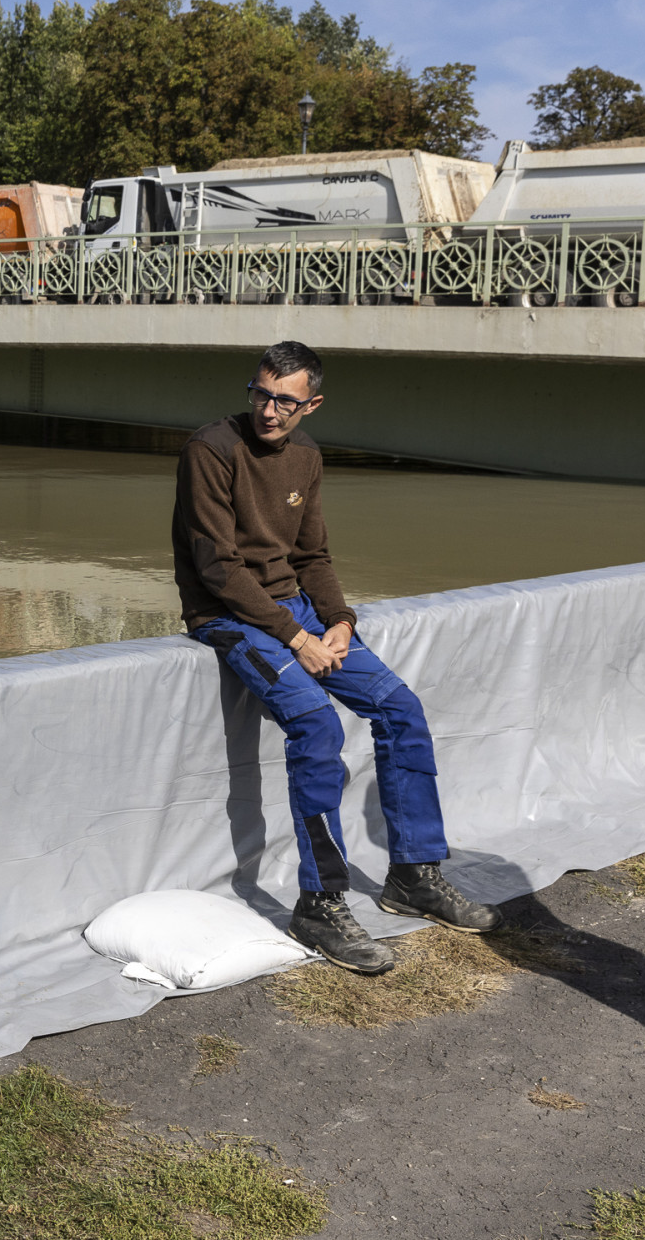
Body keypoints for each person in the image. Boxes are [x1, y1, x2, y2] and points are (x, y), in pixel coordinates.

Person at [173, 339, 502, 976]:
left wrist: (340, 623)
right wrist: (297, 640)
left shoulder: (307, 457)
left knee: (399, 708)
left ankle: (413, 875)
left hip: (296, 611)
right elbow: (217, 567)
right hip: (230, 619)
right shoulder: (211, 450)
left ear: (311, 405)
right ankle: (320, 903)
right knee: (316, 724)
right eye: (260, 394)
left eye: (284, 401)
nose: (269, 411)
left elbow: (311, 558)